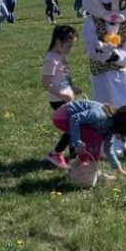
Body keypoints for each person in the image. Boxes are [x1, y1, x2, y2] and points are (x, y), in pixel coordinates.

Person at [51, 99, 126, 175]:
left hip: (69, 118)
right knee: (95, 138)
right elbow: (75, 118)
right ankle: (89, 169)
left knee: (95, 137)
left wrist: (118, 169)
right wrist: (77, 143)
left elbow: (108, 149)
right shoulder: (100, 116)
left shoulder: (111, 127)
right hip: (63, 117)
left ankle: (83, 167)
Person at [42, 25, 79, 168]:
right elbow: (46, 83)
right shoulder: (51, 59)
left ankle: (74, 154)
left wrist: (72, 87)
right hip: (58, 100)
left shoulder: (60, 56)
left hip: (66, 98)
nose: (70, 49)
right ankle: (56, 153)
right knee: (73, 126)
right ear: (58, 42)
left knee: (75, 124)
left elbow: (65, 74)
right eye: (68, 46)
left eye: (72, 46)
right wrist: (62, 94)